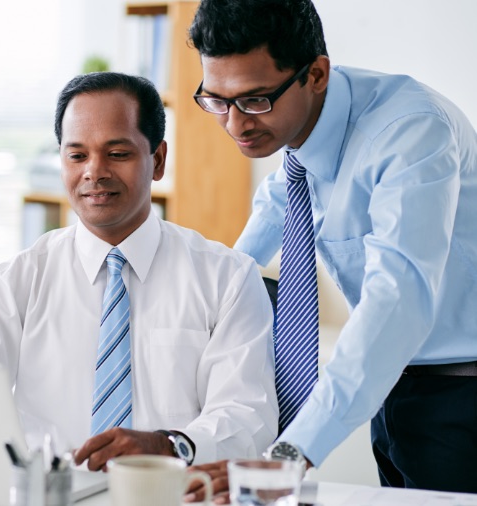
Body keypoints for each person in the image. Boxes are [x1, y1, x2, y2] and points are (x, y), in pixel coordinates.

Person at [184, 0, 477, 498]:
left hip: (461, 401)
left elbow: (396, 300)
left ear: (315, 74)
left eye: (255, 100)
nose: (235, 125)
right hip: (391, 391)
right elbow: (262, 228)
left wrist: (292, 454)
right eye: (217, 101)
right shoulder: (300, 142)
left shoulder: (408, 133)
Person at [0, 71, 278, 470]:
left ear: (157, 160)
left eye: (118, 153)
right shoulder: (17, 281)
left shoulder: (227, 278)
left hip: (170, 494)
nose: (94, 171)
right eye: (77, 155)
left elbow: (249, 417)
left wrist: (168, 446)